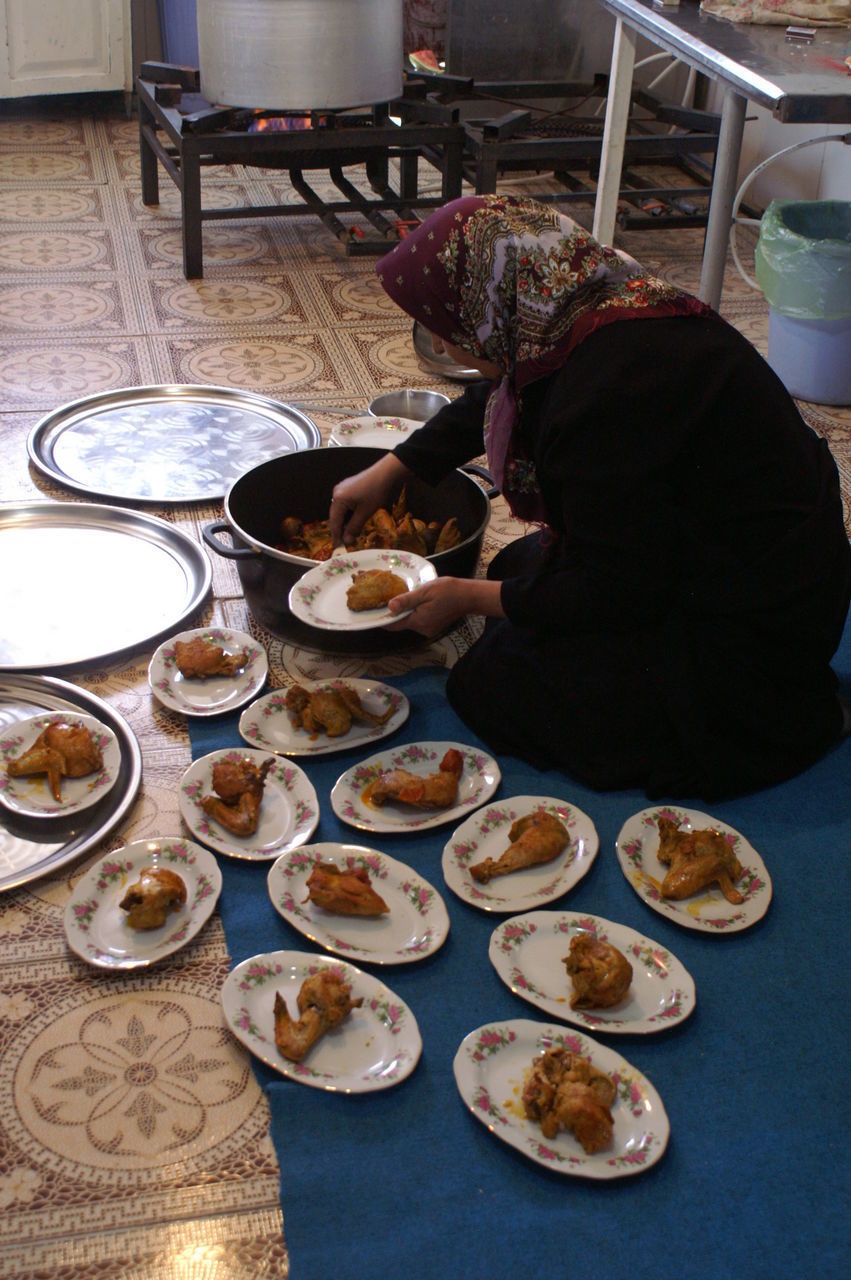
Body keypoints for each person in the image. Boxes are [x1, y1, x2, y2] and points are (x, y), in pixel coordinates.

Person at [328, 194, 850, 798]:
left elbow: (618, 590)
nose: (443, 348)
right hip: (737, 553)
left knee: (493, 686)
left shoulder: (602, 398)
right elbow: (508, 386)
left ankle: (795, 720)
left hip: (755, 615)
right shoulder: (582, 301)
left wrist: (465, 598)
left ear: (489, 306)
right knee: (519, 569)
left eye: (448, 330)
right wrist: (395, 466)